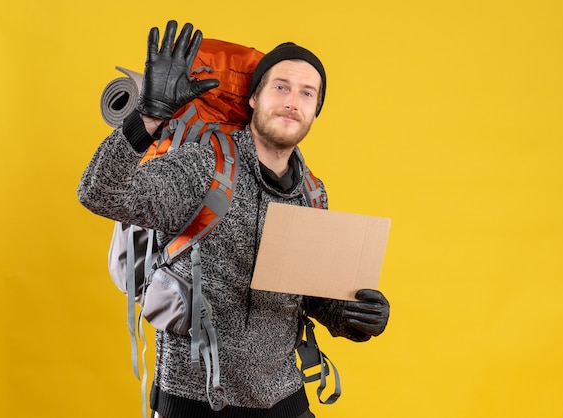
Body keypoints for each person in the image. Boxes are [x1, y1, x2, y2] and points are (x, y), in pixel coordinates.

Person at [78, 20, 390, 418]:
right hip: (193, 403)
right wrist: (148, 119)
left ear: (315, 111)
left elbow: (306, 294)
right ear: (255, 99)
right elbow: (99, 192)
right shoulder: (201, 168)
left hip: (284, 401)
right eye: (281, 87)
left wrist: (354, 316)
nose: (293, 101)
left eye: (306, 93)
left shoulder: (312, 191)